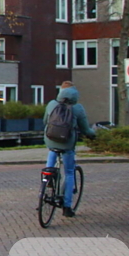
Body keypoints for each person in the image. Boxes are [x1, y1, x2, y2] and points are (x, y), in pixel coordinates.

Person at [43, 81, 96, 217]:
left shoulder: (51, 104)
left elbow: (45, 122)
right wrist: (92, 135)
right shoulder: (77, 108)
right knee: (70, 172)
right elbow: (85, 129)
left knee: (52, 149)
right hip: (67, 143)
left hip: (51, 139)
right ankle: (67, 206)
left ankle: (48, 176)